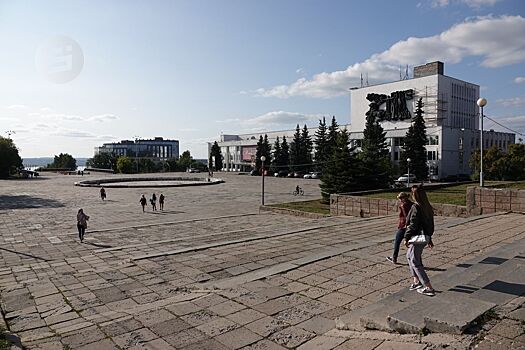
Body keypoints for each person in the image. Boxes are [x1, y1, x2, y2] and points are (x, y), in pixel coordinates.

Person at [404, 184, 436, 296]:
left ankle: (428, 287)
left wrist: (406, 237)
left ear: (415, 195)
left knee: (415, 261)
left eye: (412, 193)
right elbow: (429, 225)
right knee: (409, 256)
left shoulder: (416, 207)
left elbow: (413, 225)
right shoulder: (427, 206)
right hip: (424, 237)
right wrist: (429, 239)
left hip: (417, 237)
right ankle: (416, 281)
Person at [386, 192, 413, 264]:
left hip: (403, 226)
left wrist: (405, 225)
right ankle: (413, 258)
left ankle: (394, 258)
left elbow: (406, 216)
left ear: (405, 198)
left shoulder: (403, 205)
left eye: (401, 198)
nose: (400, 200)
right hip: (411, 226)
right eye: (399, 198)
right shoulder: (412, 204)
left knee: (397, 242)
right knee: (411, 243)